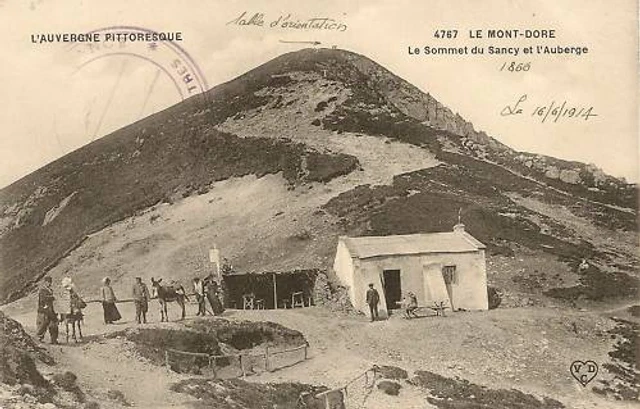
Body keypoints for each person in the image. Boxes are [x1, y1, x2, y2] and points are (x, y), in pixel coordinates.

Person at [36, 276, 58, 344]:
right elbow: (43, 299)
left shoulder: (50, 290)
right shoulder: (42, 290)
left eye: (50, 282)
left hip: (50, 310)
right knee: (42, 325)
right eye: (48, 282)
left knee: (53, 325)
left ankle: (54, 340)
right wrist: (52, 297)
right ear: (45, 282)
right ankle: (39, 338)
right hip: (43, 311)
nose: (50, 283)